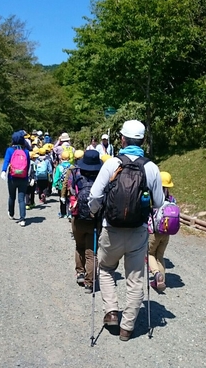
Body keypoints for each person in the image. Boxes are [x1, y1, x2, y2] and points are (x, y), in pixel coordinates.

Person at [87, 120, 165, 341]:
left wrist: (95, 212)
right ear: (143, 140)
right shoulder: (151, 167)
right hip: (138, 231)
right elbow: (159, 203)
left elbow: (94, 196)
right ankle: (127, 327)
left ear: (122, 139)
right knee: (135, 278)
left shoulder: (112, 164)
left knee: (105, 269)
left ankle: (111, 311)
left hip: (110, 229)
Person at [66, 150, 103, 293]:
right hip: (95, 218)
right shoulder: (101, 176)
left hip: (78, 216)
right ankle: (90, 283)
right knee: (91, 252)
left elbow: (71, 192)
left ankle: (80, 273)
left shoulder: (75, 174)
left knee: (79, 246)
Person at [148, 171, 175, 292]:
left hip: (154, 231)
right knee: (160, 256)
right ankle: (161, 281)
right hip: (166, 233)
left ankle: (156, 274)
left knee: (149, 253)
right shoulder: (172, 200)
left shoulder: (154, 198)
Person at [1, 130, 31, 227]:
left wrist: (4, 171)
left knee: (12, 196)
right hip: (23, 177)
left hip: (12, 177)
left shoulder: (9, 150)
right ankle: (22, 219)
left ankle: (11, 213)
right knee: (21, 199)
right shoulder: (26, 151)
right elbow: (28, 165)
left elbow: (6, 161)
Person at [60, 149, 84, 219]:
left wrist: (63, 195)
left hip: (72, 193)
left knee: (71, 206)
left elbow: (65, 182)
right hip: (83, 192)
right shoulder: (86, 168)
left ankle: (70, 215)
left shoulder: (71, 168)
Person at [53, 150, 72, 218]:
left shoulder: (59, 167)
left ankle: (62, 213)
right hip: (70, 186)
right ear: (69, 158)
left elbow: (56, 177)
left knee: (62, 199)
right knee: (69, 200)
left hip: (61, 186)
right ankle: (69, 213)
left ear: (61, 158)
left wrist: (54, 185)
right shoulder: (72, 166)